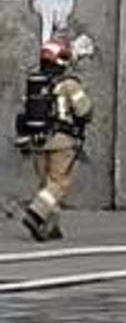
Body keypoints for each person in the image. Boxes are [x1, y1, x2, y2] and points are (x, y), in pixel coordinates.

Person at [15, 38, 92, 242]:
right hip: (62, 142)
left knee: (46, 185)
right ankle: (35, 214)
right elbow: (84, 110)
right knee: (58, 183)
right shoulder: (69, 84)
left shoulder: (35, 84)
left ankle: (49, 227)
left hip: (37, 141)